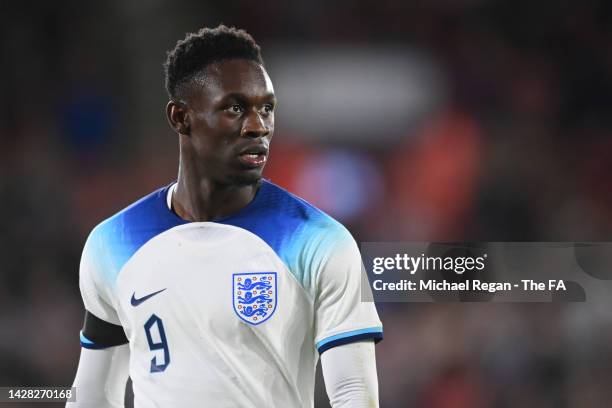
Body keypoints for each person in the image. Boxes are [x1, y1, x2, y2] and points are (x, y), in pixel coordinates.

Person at [67, 25, 383, 408]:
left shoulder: (324, 242)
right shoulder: (110, 243)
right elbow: (93, 395)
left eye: (267, 108)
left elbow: (355, 395)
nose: (258, 126)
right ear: (180, 117)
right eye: (235, 108)